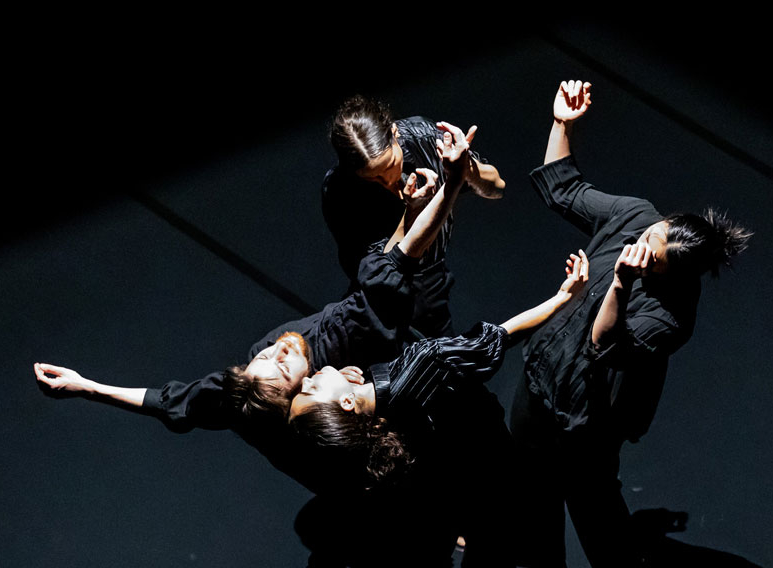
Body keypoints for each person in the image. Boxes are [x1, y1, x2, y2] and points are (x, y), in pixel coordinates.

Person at [30, 121, 482, 493]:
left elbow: (173, 402)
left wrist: (86, 386)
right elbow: (401, 260)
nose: (278, 351)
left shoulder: (247, 392)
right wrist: (442, 191)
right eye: (284, 368)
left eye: (262, 358)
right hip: (398, 341)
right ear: (300, 396)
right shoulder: (343, 340)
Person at [283, 250, 592, 568]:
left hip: (459, 495)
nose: (311, 376)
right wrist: (562, 299)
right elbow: (498, 337)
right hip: (494, 481)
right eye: (313, 389)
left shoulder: (375, 437)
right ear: (349, 403)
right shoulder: (422, 366)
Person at [512, 80, 753, 568]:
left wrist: (621, 284)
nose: (641, 246)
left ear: (673, 274)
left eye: (654, 258)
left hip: (591, 409)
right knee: (527, 468)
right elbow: (565, 190)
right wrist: (563, 123)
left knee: (590, 496)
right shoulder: (637, 215)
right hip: (546, 369)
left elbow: (604, 344)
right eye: (651, 236)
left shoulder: (671, 314)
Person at [324, 95, 505, 338]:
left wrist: (464, 169)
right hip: (384, 297)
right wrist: (412, 214)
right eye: (374, 178)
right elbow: (381, 276)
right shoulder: (340, 191)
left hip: (431, 279)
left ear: (395, 133)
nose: (388, 180)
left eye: (391, 165)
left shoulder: (424, 137)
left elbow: (497, 187)